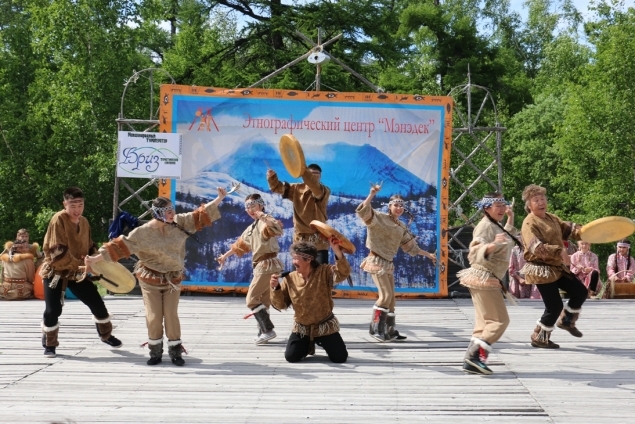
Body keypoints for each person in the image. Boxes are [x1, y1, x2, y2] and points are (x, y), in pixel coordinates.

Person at [86, 188, 227, 366]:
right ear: (158, 213)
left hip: (173, 279)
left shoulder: (180, 222)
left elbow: (201, 214)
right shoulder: (142, 233)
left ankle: (175, 351)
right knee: (153, 315)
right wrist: (94, 259)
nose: (171, 213)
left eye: (172, 209)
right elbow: (118, 247)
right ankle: (155, 351)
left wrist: (219, 198)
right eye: (167, 211)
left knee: (170, 314)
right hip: (150, 279)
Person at [40, 187, 123, 358]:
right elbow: (58, 251)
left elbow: (89, 245)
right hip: (56, 272)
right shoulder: (58, 220)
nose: (77, 210)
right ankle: (49, 344)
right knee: (53, 309)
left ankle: (106, 335)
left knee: (97, 303)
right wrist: (83, 264)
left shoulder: (84, 222)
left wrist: (95, 259)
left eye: (80, 205)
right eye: (73, 206)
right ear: (65, 204)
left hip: (77, 273)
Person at [356, 187, 436, 342]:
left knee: (391, 299)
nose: (399, 208)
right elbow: (363, 211)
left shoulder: (401, 227)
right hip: (376, 261)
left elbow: (411, 247)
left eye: (401, 206)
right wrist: (372, 194)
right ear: (389, 206)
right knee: (385, 296)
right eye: (396, 205)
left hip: (388, 264)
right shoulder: (378, 218)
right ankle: (375, 328)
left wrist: (428, 255)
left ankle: (390, 330)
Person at [456, 193, 518, 375]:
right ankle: (474, 357)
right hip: (483, 278)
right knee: (499, 321)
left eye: (503, 204)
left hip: (486, 278)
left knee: (484, 324)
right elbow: (474, 251)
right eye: (497, 205)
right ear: (486, 208)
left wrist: (511, 218)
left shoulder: (495, 225)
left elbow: (504, 238)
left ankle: (472, 360)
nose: (501, 208)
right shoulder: (484, 227)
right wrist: (491, 246)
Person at [520, 184, 587, 349]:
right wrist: (560, 252)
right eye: (536, 200)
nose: (541, 202)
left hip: (556, 267)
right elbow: (535, 247)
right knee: (554, 306)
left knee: (580, 291)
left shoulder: (551, 218)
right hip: (541, 268)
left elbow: (568, 229)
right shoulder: (529, 223)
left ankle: (566, 320)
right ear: (529, 205)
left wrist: (589, 230)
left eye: (543, 198)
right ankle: (540, 336)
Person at [217, 193, 284, 345]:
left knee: (251, 299)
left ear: (261, 205)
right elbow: (240, 245)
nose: (250, 209)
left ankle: (267, 330)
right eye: (247, 206)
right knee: (263, 300)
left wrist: (262, 215)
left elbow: (276, 228)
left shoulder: (265, 223)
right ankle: (263, 333)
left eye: (253, 205)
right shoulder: (251, 228)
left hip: (266, 264)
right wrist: (225, 256)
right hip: (263, 265)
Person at [269, 239, 350, 363]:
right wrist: (276, 287)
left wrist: (337, 251)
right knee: (291, 357)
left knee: (340, 358)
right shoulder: (290, 278)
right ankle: (307, 345)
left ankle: (320, 341)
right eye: (293, 258)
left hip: (325, 326)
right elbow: (280, 305)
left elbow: (343, 273)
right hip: (302, 329)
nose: (294, 262)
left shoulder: (324, 271)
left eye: (297, 258)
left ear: (308, 259)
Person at [267, 164, 330, 264]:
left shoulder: (323, 191)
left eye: (316, 176)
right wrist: (272, 177)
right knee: (298, 275)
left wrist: (304, 171)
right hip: (300, 239)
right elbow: (277, 187)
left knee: (320, 274)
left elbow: (313, 185)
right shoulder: (296, 189)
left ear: (319, 177)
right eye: (311, 175)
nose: (313, 178)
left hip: (318, 240)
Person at [0, 229, 43, 300]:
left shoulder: (32, 248)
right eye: (22, 236)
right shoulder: (10, 251)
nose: (24, 238)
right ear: (17, 237)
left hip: (7, 287)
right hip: (22, 284)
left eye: (26, 236)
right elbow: (30, 278)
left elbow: (41, 257)